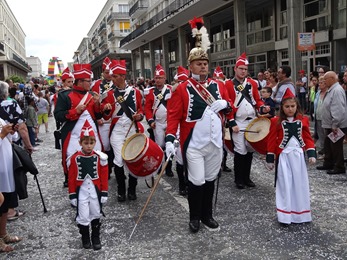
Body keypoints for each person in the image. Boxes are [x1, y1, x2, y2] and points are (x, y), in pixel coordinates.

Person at [165, 17, 233, 233]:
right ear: (190, 66)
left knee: (211, 178)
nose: (203, 66)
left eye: (205, 63)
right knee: (196, 180)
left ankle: (207, 215)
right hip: (193, 143)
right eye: (198, 63)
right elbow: (173, 116)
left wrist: (227, 104)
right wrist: (169, 139)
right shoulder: (182, 88)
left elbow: (228, 109)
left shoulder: (218, 86)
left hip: (215, 142)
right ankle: (194, 218)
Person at [265, 88, 316, 226]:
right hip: (284, 157)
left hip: (298, 157)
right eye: (287, 106)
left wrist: (311, 153)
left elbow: (307, 137)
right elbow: (271, 140)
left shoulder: (303, 120)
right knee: (284, 184)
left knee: (300, 184)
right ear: (282, 107)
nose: (290, 109)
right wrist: (270, 159)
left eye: (292, 106)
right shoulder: (276, 121)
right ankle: (285, 215)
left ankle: (301, 214)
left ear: (296, 106)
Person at [225, 53, 270, 189]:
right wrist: (232, 122)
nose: (243, 71)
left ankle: (247, 177)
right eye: (241, 68)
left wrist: (262, 108)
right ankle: (238, 179)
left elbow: (257, 100)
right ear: (235, 68)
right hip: (238, 122)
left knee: (250, 150)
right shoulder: (228, 84)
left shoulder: (251, 83)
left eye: (245, 69)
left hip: (252, 121)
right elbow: (227, 104)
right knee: (240, 150)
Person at [101, 60, 144, 202]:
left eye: (115, 76)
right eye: (112, 76)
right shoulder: (108, 94)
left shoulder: (136, 92)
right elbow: (106, 115)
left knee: (133, 159)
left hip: (132, 129)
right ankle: (121, 190)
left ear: (123, 76)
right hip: (117, 131)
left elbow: (140, 110)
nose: (111, 79)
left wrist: (140, 116)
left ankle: (132, 189)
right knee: (119, 160)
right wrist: (106, 110)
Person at [54, 64, 103, 187]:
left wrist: (98, 105)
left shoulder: (92, 95)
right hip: (73, 137)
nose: (91, 83)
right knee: (73, 163)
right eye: (89, 81)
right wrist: (75, 111)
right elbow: (58, 115)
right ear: (80, 81)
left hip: (92, 136)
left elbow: (97, 116)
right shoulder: (64, 96)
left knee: (96, 161)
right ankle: (74, 191)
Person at [67, 120, 108, 250]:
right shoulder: (74, 158)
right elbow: (72, 178)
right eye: (86, 143)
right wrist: (72, 195)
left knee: (96, 213)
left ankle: (96, 237)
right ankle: (85, 237)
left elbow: (103, 177)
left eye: (91, 143)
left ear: (95, 143)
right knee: (83, 216)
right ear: (80, 143)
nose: (89, 146)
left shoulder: (99, 157)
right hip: (81, 192)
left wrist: (104, 191)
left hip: (95, 191)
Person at [144, 64, 174, 177]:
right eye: (156, 78)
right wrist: (150, 120)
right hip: (158, 123)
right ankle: (160, 165)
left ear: (164, 78)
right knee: (160, 145)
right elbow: (147, 108)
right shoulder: (150, 92)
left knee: (169, 145)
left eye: (160, 78)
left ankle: (168, 167)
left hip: (170, 122)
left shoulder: (170, 90)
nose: (158, 80)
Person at [316, 71, 347, 174]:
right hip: (329, 124)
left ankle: (339, 166)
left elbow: (338, 109)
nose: (324, 81)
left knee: (336, 146)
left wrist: (335, 124)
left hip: (336, 125)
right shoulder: (332, 90)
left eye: (326, 79)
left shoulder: (337, 90)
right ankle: (328, 163)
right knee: (328, 145)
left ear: (332, 79)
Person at [0, 117, 22, 252]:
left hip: (6, 170)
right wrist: (2, 134)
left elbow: (13, 139)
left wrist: (12, 132)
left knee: (5, 205)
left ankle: (3, 234)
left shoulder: (1, 119)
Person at [91, 57, 115, 178]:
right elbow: (94, 102)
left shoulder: (116, 83)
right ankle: (108, 168)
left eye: (111, 73)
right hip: (103, 121)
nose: (109, 75)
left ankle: (117, 167)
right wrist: (98, 116)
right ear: (102, 72)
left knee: (116, 144)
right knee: (105, 145)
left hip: (115, 119)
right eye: (106, 73)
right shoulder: (96, 85)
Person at [212, 66, 231, 172]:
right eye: (216, 79)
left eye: (220, 79)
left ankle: (223, 163)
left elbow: (229, 103)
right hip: (214, 120)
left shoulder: (224, 87)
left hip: (224, 119)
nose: (218, 81)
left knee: (223, 142)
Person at [313, 76, 328, 159]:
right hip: (318, 117)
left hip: (325, 118)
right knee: (320, 135)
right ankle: (323, 151)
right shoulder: (318, 93)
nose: (319, 84)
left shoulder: (328, 93)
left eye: (321, 82)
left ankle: (327, 152)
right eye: (319, 82)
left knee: (327, 135)